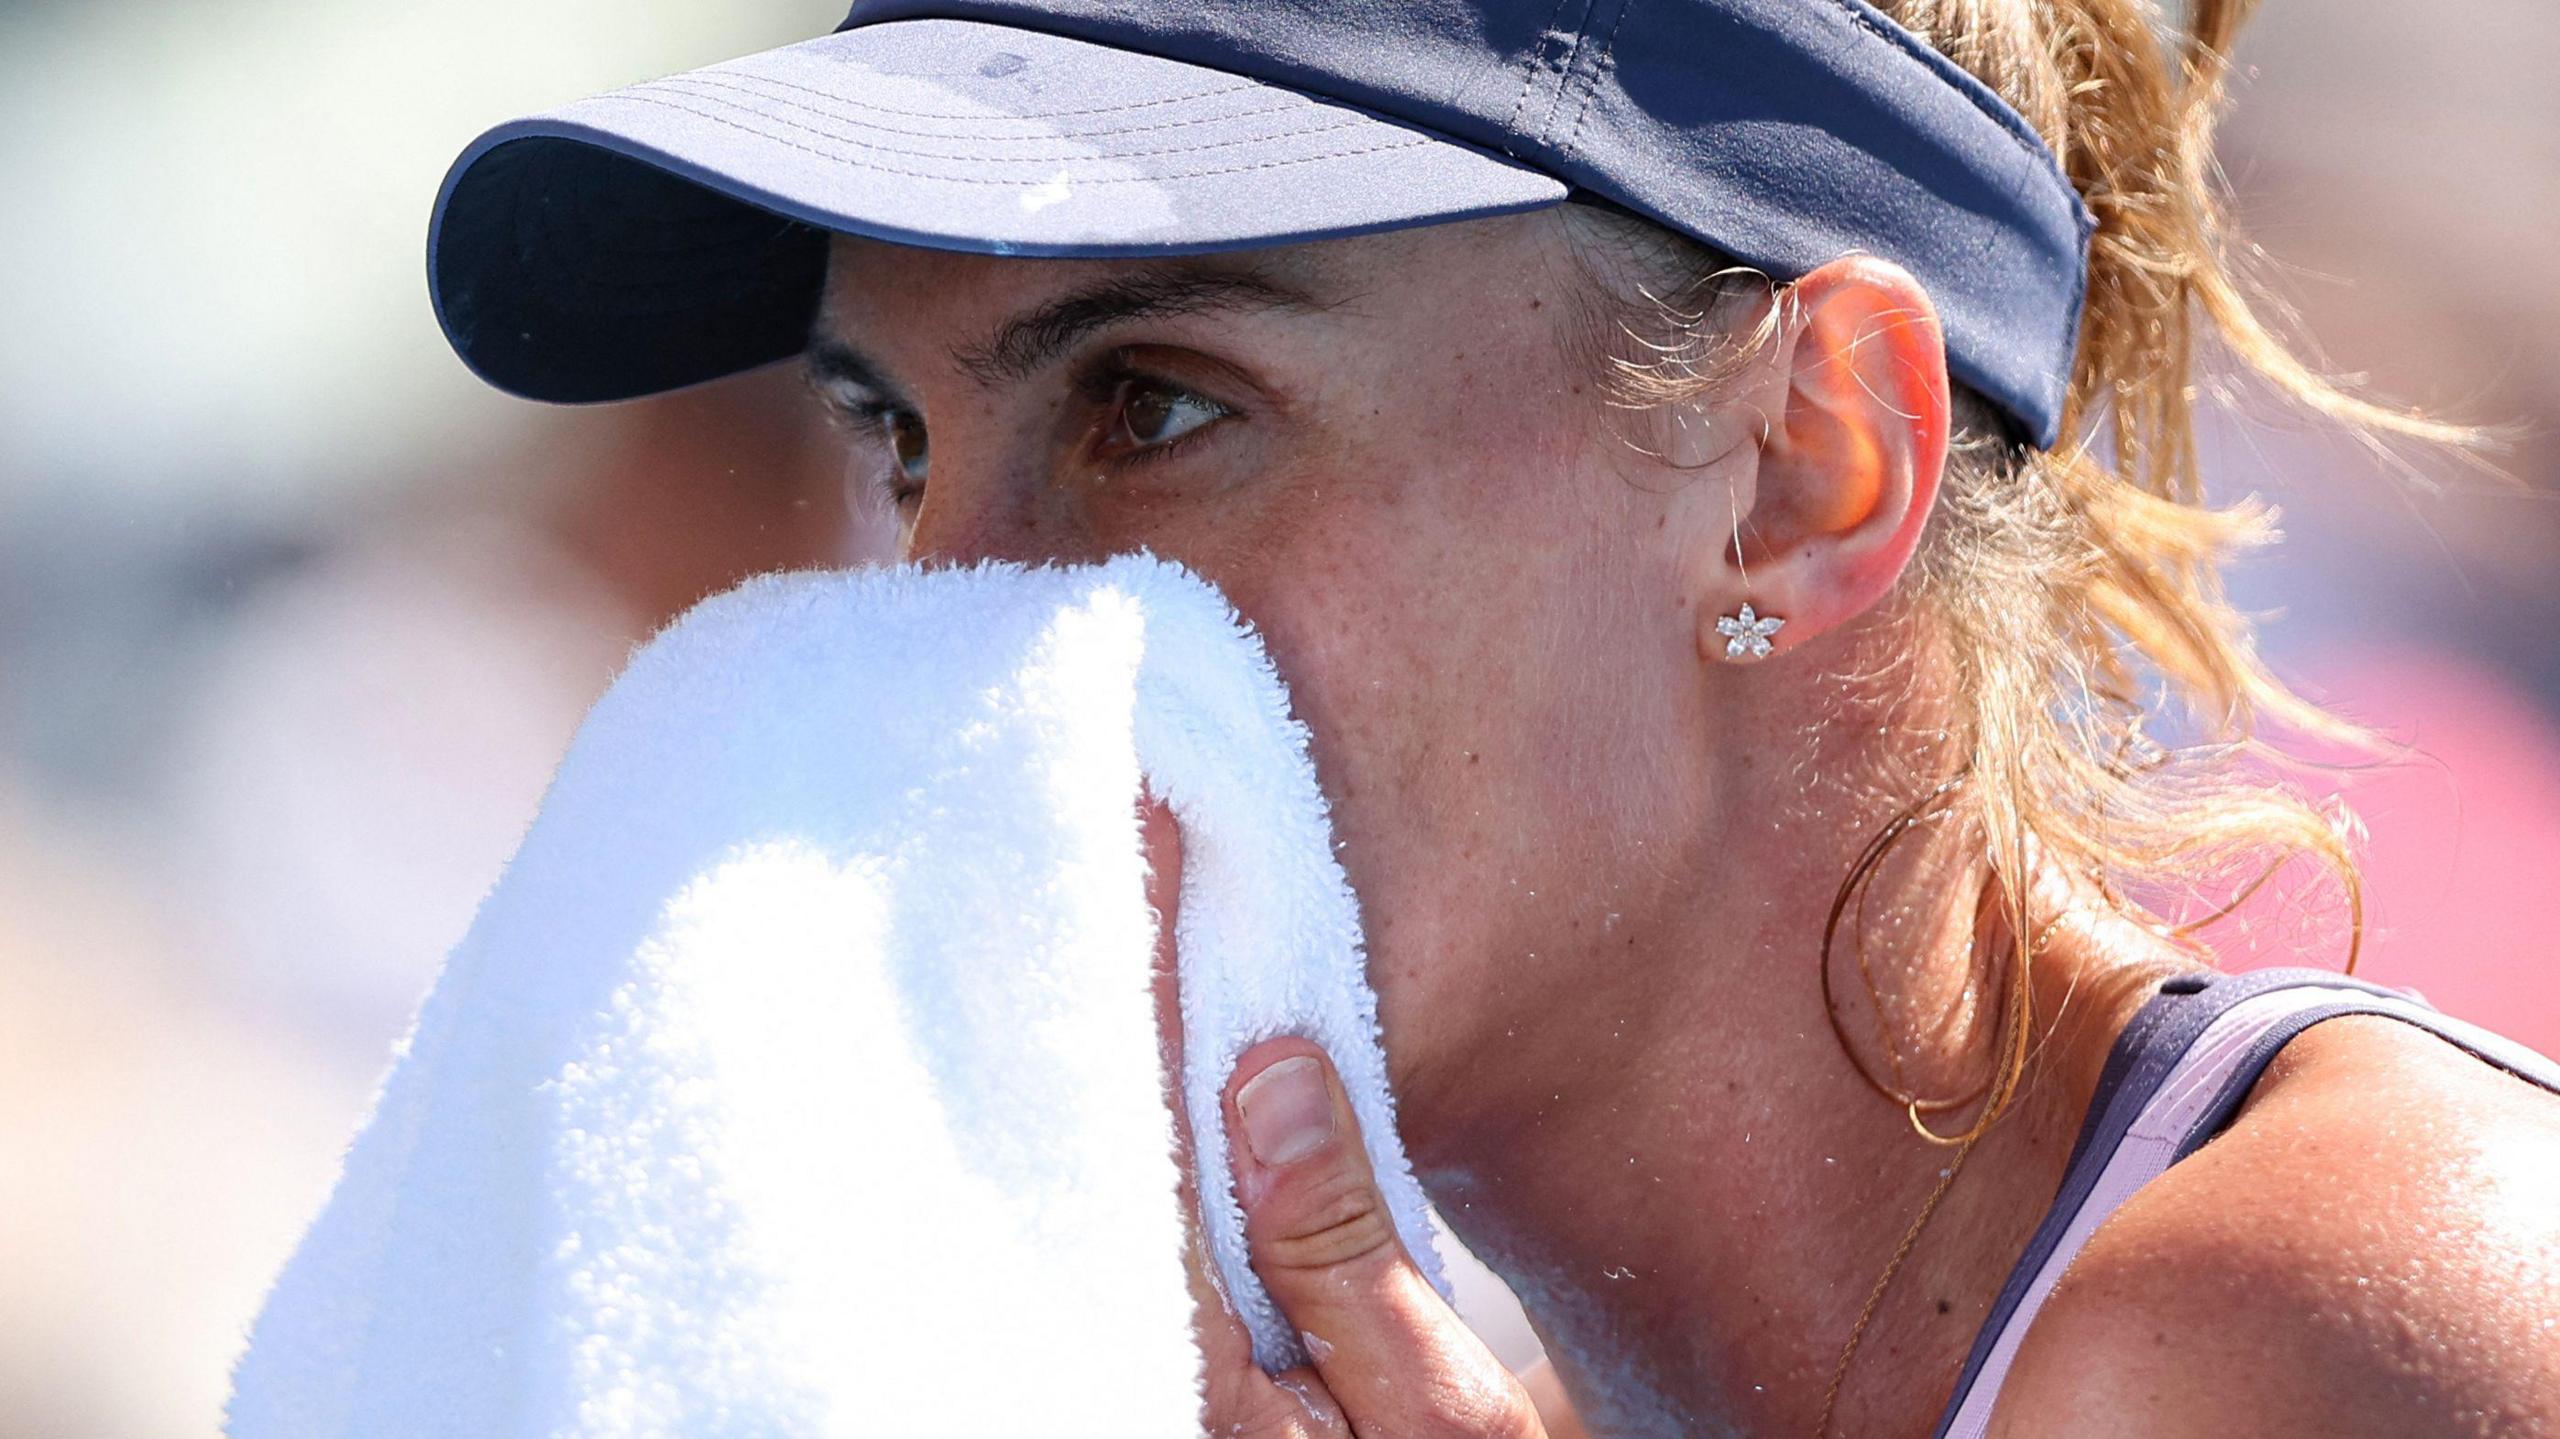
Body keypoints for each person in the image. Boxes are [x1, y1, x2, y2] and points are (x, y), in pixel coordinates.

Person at [425, 1, 2560, 1433]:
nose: (944, 621)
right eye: (894, 441)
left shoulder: (2304, 1331)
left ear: (1802, 461)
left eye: (1150, 404)